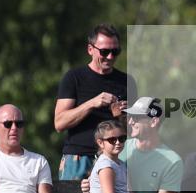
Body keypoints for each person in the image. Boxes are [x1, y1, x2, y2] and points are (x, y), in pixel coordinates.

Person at [54, 23, 138, 180]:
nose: (110, 57)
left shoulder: (127, 81)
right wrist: (92, 103)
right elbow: (59, 123)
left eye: (115, 51)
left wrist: (120, 117)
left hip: (114, 158)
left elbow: (134, 131)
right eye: (105, 51)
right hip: (79, 157)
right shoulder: (74, 77)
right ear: (90, 49)